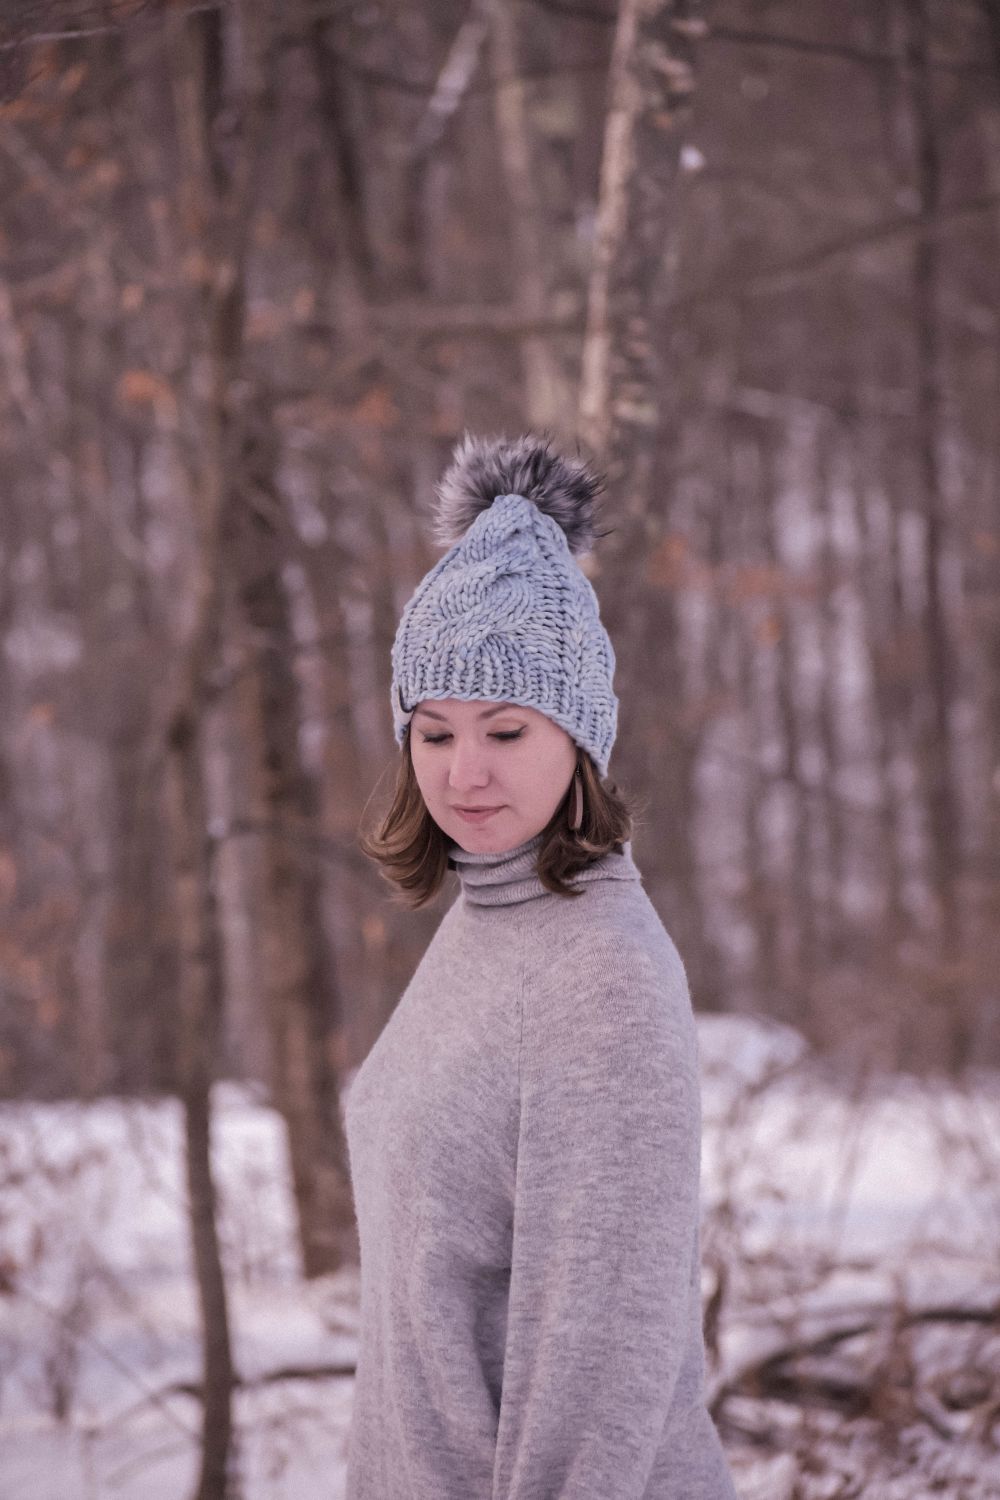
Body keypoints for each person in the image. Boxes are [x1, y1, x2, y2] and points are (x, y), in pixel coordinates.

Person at [344, 432, 737, 1499]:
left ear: (579, 739)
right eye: (433, 733)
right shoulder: (487, 922)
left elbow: (600, 1367)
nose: (463, 773)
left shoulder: (599, 978)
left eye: (507, 731)